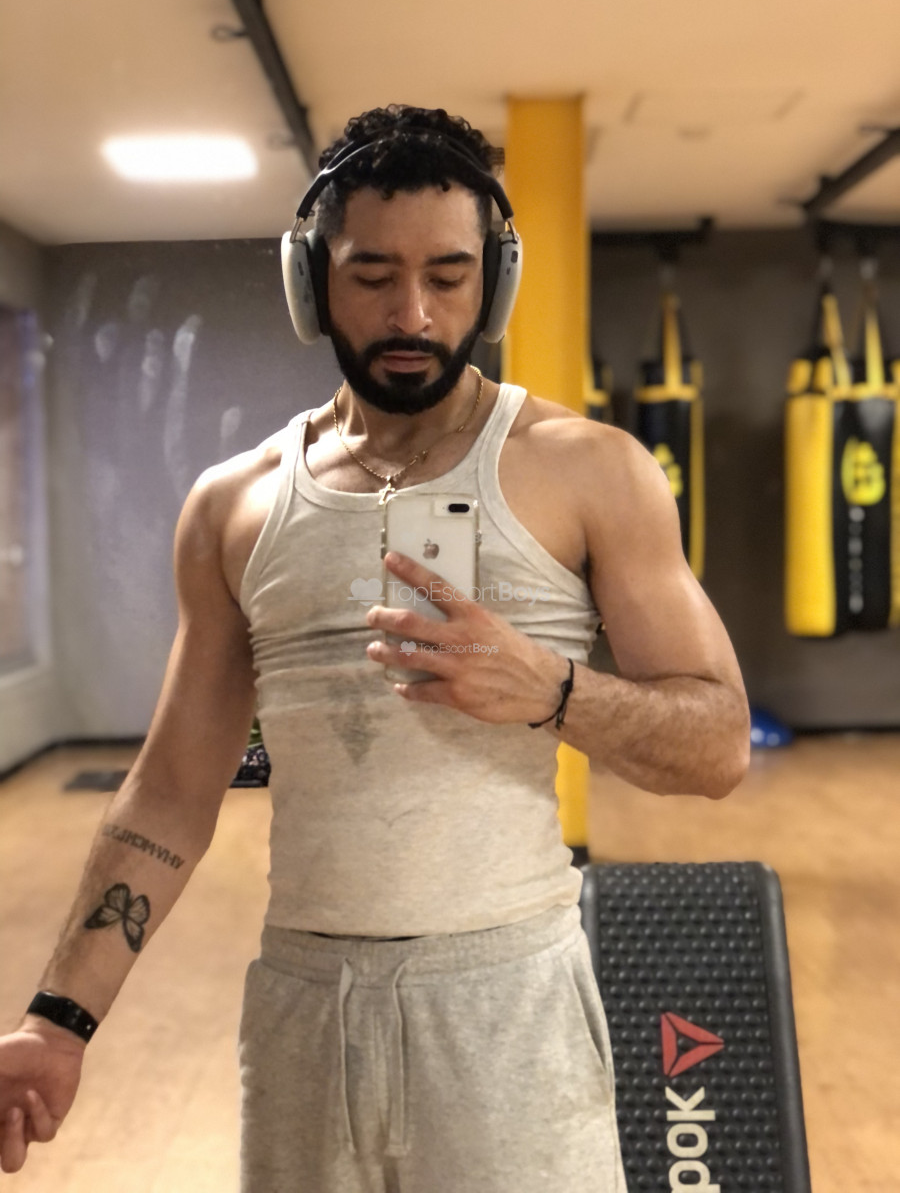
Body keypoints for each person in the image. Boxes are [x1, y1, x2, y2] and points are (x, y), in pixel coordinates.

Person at [0, 104, 750, 1190]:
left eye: (448, 276)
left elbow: (719, 744)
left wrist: (552, 690)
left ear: (494, 281)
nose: (413, 313)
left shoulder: (591, 471)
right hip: (305, 1011)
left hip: (507, 1003)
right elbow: (169, 792)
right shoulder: (234, 507)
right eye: (372, 275)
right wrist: (56, 1020)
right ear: (310, 280)